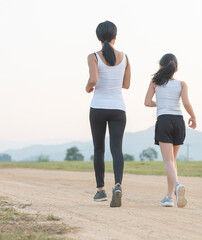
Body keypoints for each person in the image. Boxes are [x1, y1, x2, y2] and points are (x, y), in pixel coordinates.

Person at [86, 21, 131, 207]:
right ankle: (118, 185)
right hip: (118, 108)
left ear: (98, 37)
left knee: (99, 149)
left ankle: (100, 190)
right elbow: (126, 85)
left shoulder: (93, 56)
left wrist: (88, 86)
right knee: (117, 149)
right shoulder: (126, 57)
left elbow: (94, 79)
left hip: (98, 107)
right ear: (115, 37)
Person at [144, 53, 196, 208]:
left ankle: (178, 187)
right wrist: (193, 116)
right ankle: (169, 197)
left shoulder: (155, 83)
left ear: (160, 66)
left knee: (168, 161)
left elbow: (147, 102)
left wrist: (159, 103)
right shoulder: (182, 84)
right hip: (178, 121)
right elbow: (186, 103)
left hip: (164, 120)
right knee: (172, 161)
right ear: (176, 69)